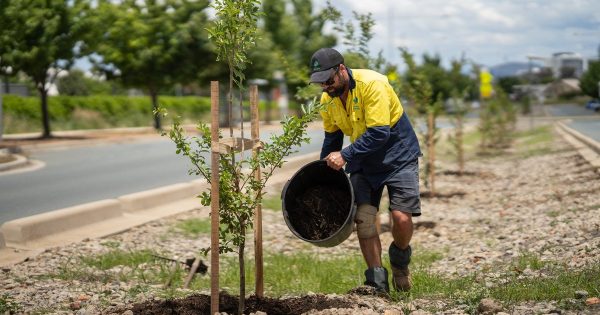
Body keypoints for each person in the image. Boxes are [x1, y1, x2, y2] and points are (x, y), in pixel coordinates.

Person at [309, 48, 422, 293]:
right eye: (320, 83)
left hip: (397, 154)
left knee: (401, 218)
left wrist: (345, 155)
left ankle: (400, 259)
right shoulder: (327, 101)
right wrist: (322, 176)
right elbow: (332, 139)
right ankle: (377, 283)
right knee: (365, 220)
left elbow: (379, 133)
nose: (326, 87)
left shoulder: (372, 84)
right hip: (363, 159)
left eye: (329, 80)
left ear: (341, 69)